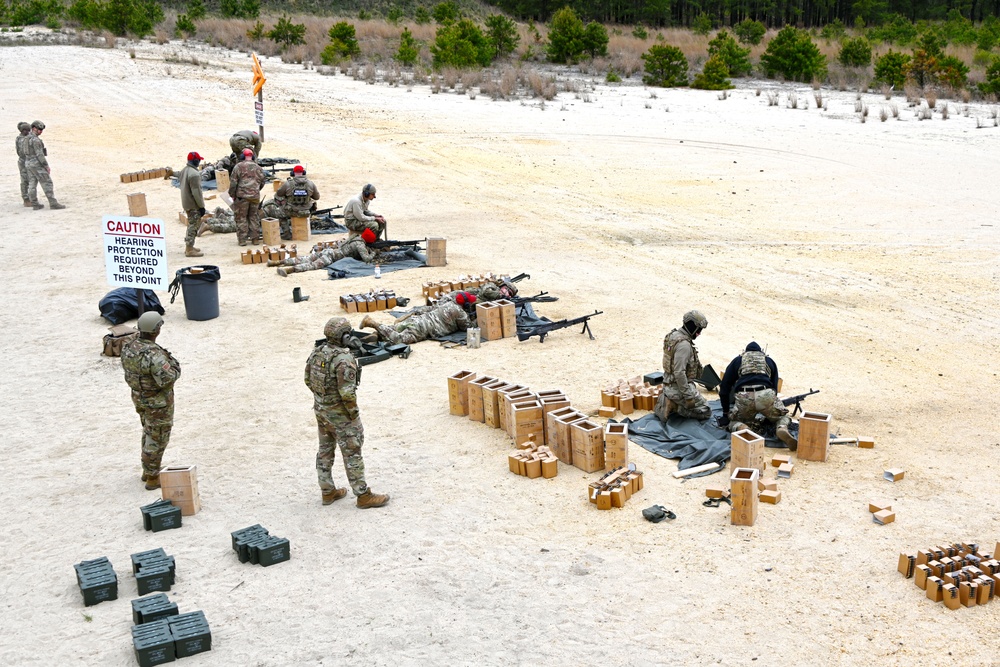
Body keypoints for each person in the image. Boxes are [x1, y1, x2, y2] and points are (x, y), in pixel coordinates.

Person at [305, 317, 390, 509]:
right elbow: (347, 394)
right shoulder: (344, 359)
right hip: (342, 416)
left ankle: (327, 491)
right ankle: (363, 495)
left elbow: (308, 380)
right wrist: (353, 414)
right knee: (352, 452)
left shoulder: (317, 353)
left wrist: (324, 401)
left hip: (322, 412)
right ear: (343, 336)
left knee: (325, 450)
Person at [121, 312, 181, 490]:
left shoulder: (129, 346)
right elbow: (167, 378)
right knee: (158, 436)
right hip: (158, 402)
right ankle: (153, 477)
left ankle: (148, 469)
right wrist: (175, 366)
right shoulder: (154, 355)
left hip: (139, 397)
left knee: (148, 431)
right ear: (156, 330)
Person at [718, 342, 797, 449]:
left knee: (734, 422)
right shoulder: (769, 361)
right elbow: (774, 388)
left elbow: (724, 388)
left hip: (745, 397)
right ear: (761, 352)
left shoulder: (738, 360)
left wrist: (725, 412)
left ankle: (744, 429)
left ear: (745, 352)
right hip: (766, 394)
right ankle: (781, 428)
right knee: (783, 417)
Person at [654, 310, 711, 421]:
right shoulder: (684, 345)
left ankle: (670, 399)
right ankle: (675, 406)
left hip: (668, 383)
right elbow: (679, 373)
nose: (699, 333)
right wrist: (688, 396)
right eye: (698, 329)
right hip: (678, 387)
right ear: (691, 326)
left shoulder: (673, 336)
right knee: (706, 411)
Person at [360, 292, 474, 345]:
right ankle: (373, 323)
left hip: (418, 320)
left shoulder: (446, 303)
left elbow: (429, 308)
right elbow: (467, 327)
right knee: (399, 340)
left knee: (396, 328)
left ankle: (377, 334)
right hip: (423, 329)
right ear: (466, 305)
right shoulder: (460, 313)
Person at [270, 229, 378, 276]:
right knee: (312, 265)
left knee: (306, 258)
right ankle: (290, 269)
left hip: (329, 251)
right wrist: (373, 252)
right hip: (331, 258)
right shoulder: (360, 245)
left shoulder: (355, 238)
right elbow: (367, 259)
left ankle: (277, 262)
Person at [24, 120, 65, 210]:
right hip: (36, 164)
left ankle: (34, 204)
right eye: (39, 129)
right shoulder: (35, 140)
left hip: (28, 163)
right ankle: (53, 203)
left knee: (32, 183)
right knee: (47, 183)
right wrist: (46, 165)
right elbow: (40, 154)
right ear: (34, 128)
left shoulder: (26, 138)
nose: (41, 131)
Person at [229, 148, 266, 246]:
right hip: (254, 196)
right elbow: (262, 182)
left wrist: (232, 194)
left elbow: (233, 182)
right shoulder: (258, 168)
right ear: (252, 156)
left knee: (241, 217)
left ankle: (242, 240)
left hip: (242, 197)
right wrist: (256, 190)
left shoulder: (238, 167)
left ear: (242, 156)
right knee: (253, 217)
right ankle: (255, 239)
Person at [274, 165, 320, 239]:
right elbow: (317, 197)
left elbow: (279, 194)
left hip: (292, 211)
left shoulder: (288, 183)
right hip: (306, 211)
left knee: (279, 213)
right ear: (303, 173)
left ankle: (287, 233)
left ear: (292, 173)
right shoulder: (311, 183)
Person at [178, 151, 206, 257]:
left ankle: (190, 246)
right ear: (195, 161)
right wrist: (201, 206)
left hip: (186, 202)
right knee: (193, 226)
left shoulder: (185, 170)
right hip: (193, 204)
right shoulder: (194, 174)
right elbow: (196, 193)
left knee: (192, 224)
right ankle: (189, 249)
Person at [16, 121, 32, 207]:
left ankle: (29, 197)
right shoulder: (21, 139)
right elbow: (21, 152)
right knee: (25, 180)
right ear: (21, 130)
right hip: (23, 162)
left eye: (28, 130)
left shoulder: (22, 138)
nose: (27, 131)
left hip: (27, 161)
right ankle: (26, 199)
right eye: (25, 130)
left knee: (30, 180)